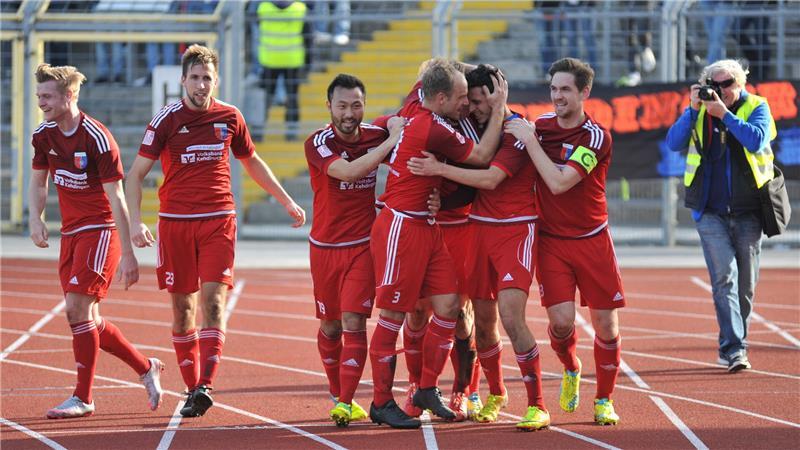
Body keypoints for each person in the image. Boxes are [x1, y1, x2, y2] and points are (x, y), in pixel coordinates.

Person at [125, 44, 306, 418]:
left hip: (218, 220)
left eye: (207, 77)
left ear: (216, 80)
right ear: (183, 80)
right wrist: (135, 223)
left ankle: (204, 385)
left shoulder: (229, 116)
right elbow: (135, 175)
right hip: (175, 224)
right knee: (182, 310)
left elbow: (251, 160)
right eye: (194, 77)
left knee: (213, 302)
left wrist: (286, 201)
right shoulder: (165, 121)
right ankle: (192, 388)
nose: (201, 84)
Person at [408, 64, 551, 431]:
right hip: (480, 230)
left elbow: (488, 177)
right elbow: (427, 87)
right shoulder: (473, 124)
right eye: (468, 101)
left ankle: (537, 404)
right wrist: (441, 196)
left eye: (478, 100)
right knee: (482, 325)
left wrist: (437, 171)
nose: (471, 108)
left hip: (515, 231)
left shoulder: (517, 129)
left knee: (511, 316)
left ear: (498, 94)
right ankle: (496, 393)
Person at [367, 58, 506, 429]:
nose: (465, 103)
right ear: (441, 98)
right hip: (402, 226)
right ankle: (381, 401)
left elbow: (433, 72)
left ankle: (427, 387)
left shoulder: (425, 103)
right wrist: (500, 111)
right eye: (461, 96)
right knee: (396, 315)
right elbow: (481, 157)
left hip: (428, 225)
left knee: (448, 306)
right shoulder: (432, 125)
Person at [29, 63, 164, 419]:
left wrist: (129, 253)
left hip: (101, 230)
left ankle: (83, 397)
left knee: (76, 311)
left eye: (47, 96)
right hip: (70, 233)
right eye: (39, 95)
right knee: (89, 319)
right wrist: (35, 218)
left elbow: (116, 197)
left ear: (69, 96)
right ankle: (145, 366)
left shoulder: (97, 137)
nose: (41, 102)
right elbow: (38, 181)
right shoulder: (43, 134)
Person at [505, 57, 624, 426]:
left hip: (592, 240)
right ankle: (571, 367)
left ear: (584, 92)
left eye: (565, 90)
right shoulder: (540, 126)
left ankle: (604, 399)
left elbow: (559, 183)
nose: (557, 96)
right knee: (560, 323)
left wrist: (529, 140)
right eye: (553, 89)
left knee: (606, 326)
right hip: (552, 241)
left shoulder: (596, 136)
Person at [304, 74, 405, 427]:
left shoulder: (376, 136)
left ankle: (345, 403)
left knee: (353, 322)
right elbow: (346, 173)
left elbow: (406, 154)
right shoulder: (317, 142)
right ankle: (337, 392)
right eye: (343, 105)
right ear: (329, 106)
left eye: (357, 105)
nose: (350, 113)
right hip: (324, 248)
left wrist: (392, 126)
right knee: (330, 327)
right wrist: (391, 139)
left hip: (362, 245)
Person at [665, 59, 776, 372]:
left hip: (749, 210)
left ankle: (733, 340)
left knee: (746, 285)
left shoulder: (757, 107)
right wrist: (693, 109)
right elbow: (673, 143)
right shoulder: (701, 111)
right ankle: (734, 349)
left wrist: (724, 115)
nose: (721, 90)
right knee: (724, 279)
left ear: (740, 84)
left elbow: (756, 140)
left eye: (727, 84)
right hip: (709, 211)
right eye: (715, 84)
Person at [391, 60, 485, 423]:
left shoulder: (475, 118)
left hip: (459, 223)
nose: (467, 103)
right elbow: (396, 137)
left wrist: (445, 196)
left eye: (470, 95)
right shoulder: (417, 106)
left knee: (459, 315)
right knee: (415, 312)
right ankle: (417, 386)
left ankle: (464, 389)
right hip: (422, 222)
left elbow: (482, 170)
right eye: (462, 95)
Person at [257, 1, 310, 141]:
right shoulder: (300, 8)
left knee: (266, 97)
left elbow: (252, 28)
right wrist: (309, 63)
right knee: (292, 96)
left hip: (269, 58)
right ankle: (291, 132)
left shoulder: (263, 8)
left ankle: (258, 131)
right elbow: (308, 37)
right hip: (292, 59)